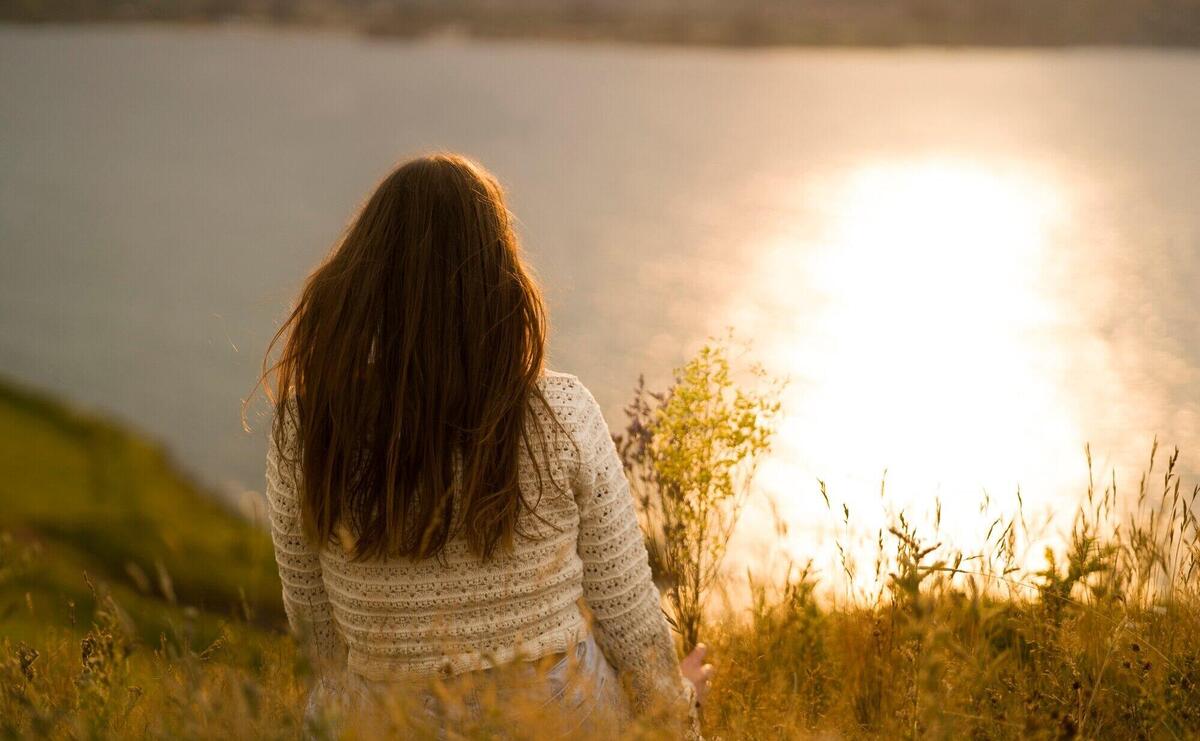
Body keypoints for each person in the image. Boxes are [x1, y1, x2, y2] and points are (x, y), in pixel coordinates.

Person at [255, 153, 712, 737]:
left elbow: (315, 628)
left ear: (363, 279)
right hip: (558, 721)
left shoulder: (307, 427)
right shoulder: (561, 412)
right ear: (499, 281)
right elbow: (629, 614)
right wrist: (680, 713)